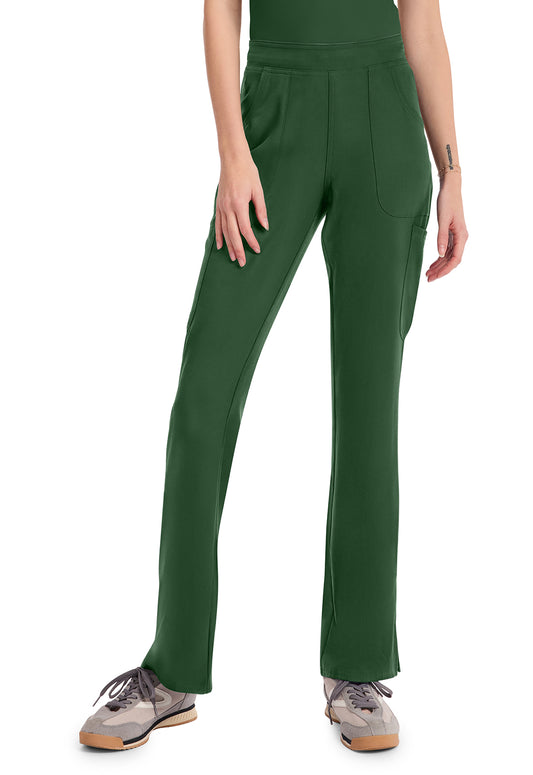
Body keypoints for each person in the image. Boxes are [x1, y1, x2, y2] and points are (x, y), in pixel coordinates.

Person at [79, 0, 468, 753]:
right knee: (204, 398)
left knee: (368, 412)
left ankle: (356, 670)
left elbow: (421, 23)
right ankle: (171, 671)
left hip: (383, 120)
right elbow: (220, 10)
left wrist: (452, 171)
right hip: (274, 116)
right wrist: (233, 153)